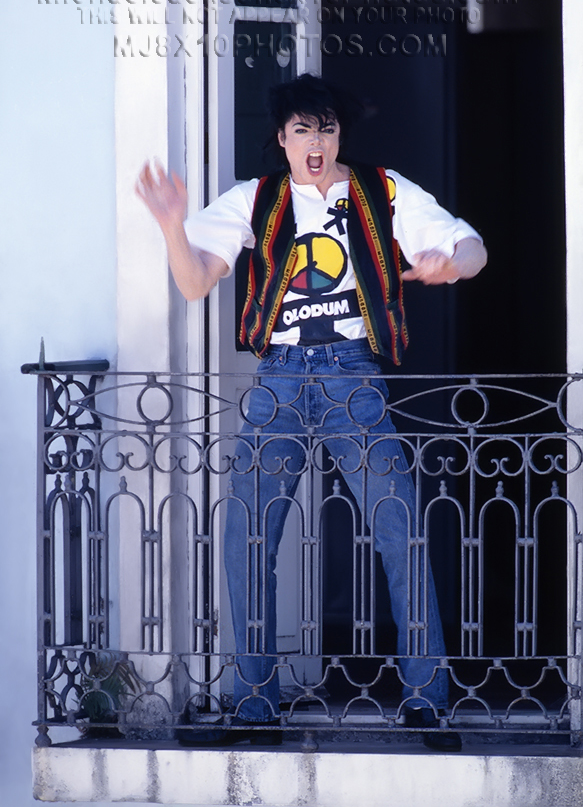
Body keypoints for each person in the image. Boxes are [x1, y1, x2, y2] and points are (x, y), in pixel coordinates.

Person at [136, 74, 487, 750]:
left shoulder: (381, 190)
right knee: (246, 539)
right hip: (279, 381)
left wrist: (451, 265)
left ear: (338, 135)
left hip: (352, 375)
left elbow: (471, 246)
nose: (315, 141)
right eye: (302, 129)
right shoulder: (256, 198)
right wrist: (172, 226)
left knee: (399, 531)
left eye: (325, 128)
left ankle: (426, 700)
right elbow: (193, 280)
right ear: (283, 139)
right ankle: (256, 706)